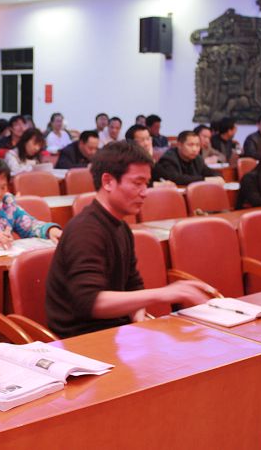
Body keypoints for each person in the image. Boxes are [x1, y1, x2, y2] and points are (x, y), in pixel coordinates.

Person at [45, 141, 214, 338]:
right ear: (108, 181)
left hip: (117, 332)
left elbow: (133, 286)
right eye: (137, 183)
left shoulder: (121, 227)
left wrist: (140, 322)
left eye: (146, 184)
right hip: (82, 340)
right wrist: (163, 293)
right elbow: (90, 302)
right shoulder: (85, 230)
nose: (144, 192)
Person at [152, 131, 223, 185]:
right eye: (190, 145)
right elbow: (176, 179)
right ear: (179, 145)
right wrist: (204, 180)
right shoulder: (168, 159)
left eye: (197, 145)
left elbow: (209, 172)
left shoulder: (197, 158)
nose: (195, 149)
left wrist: (217, 177)